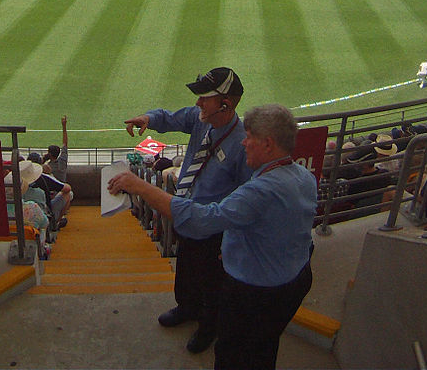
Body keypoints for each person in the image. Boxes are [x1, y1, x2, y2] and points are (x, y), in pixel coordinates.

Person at [109, 104, 315, 370]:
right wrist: (231, 243)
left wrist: (140, 186)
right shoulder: (303, 177)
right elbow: (275, 227)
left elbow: (202, 220)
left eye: (250, 137)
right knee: (264, 346)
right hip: (294, 280)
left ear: (267, 145)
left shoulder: (261, 191)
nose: (244, 142)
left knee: (232, 353)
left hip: (256, 294)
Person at [124, 67, 250, 354]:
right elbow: (170, 117)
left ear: (225, 104)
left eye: (204, 98)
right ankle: (186, 308)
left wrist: (232, 238)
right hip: (186, 214)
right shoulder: (200, 119)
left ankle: (208, 327)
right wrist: (148, 118)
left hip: (214, 227)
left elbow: (246, 196)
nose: (197, 103)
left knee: (212, 281)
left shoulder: (243, 145)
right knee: (187, 268)